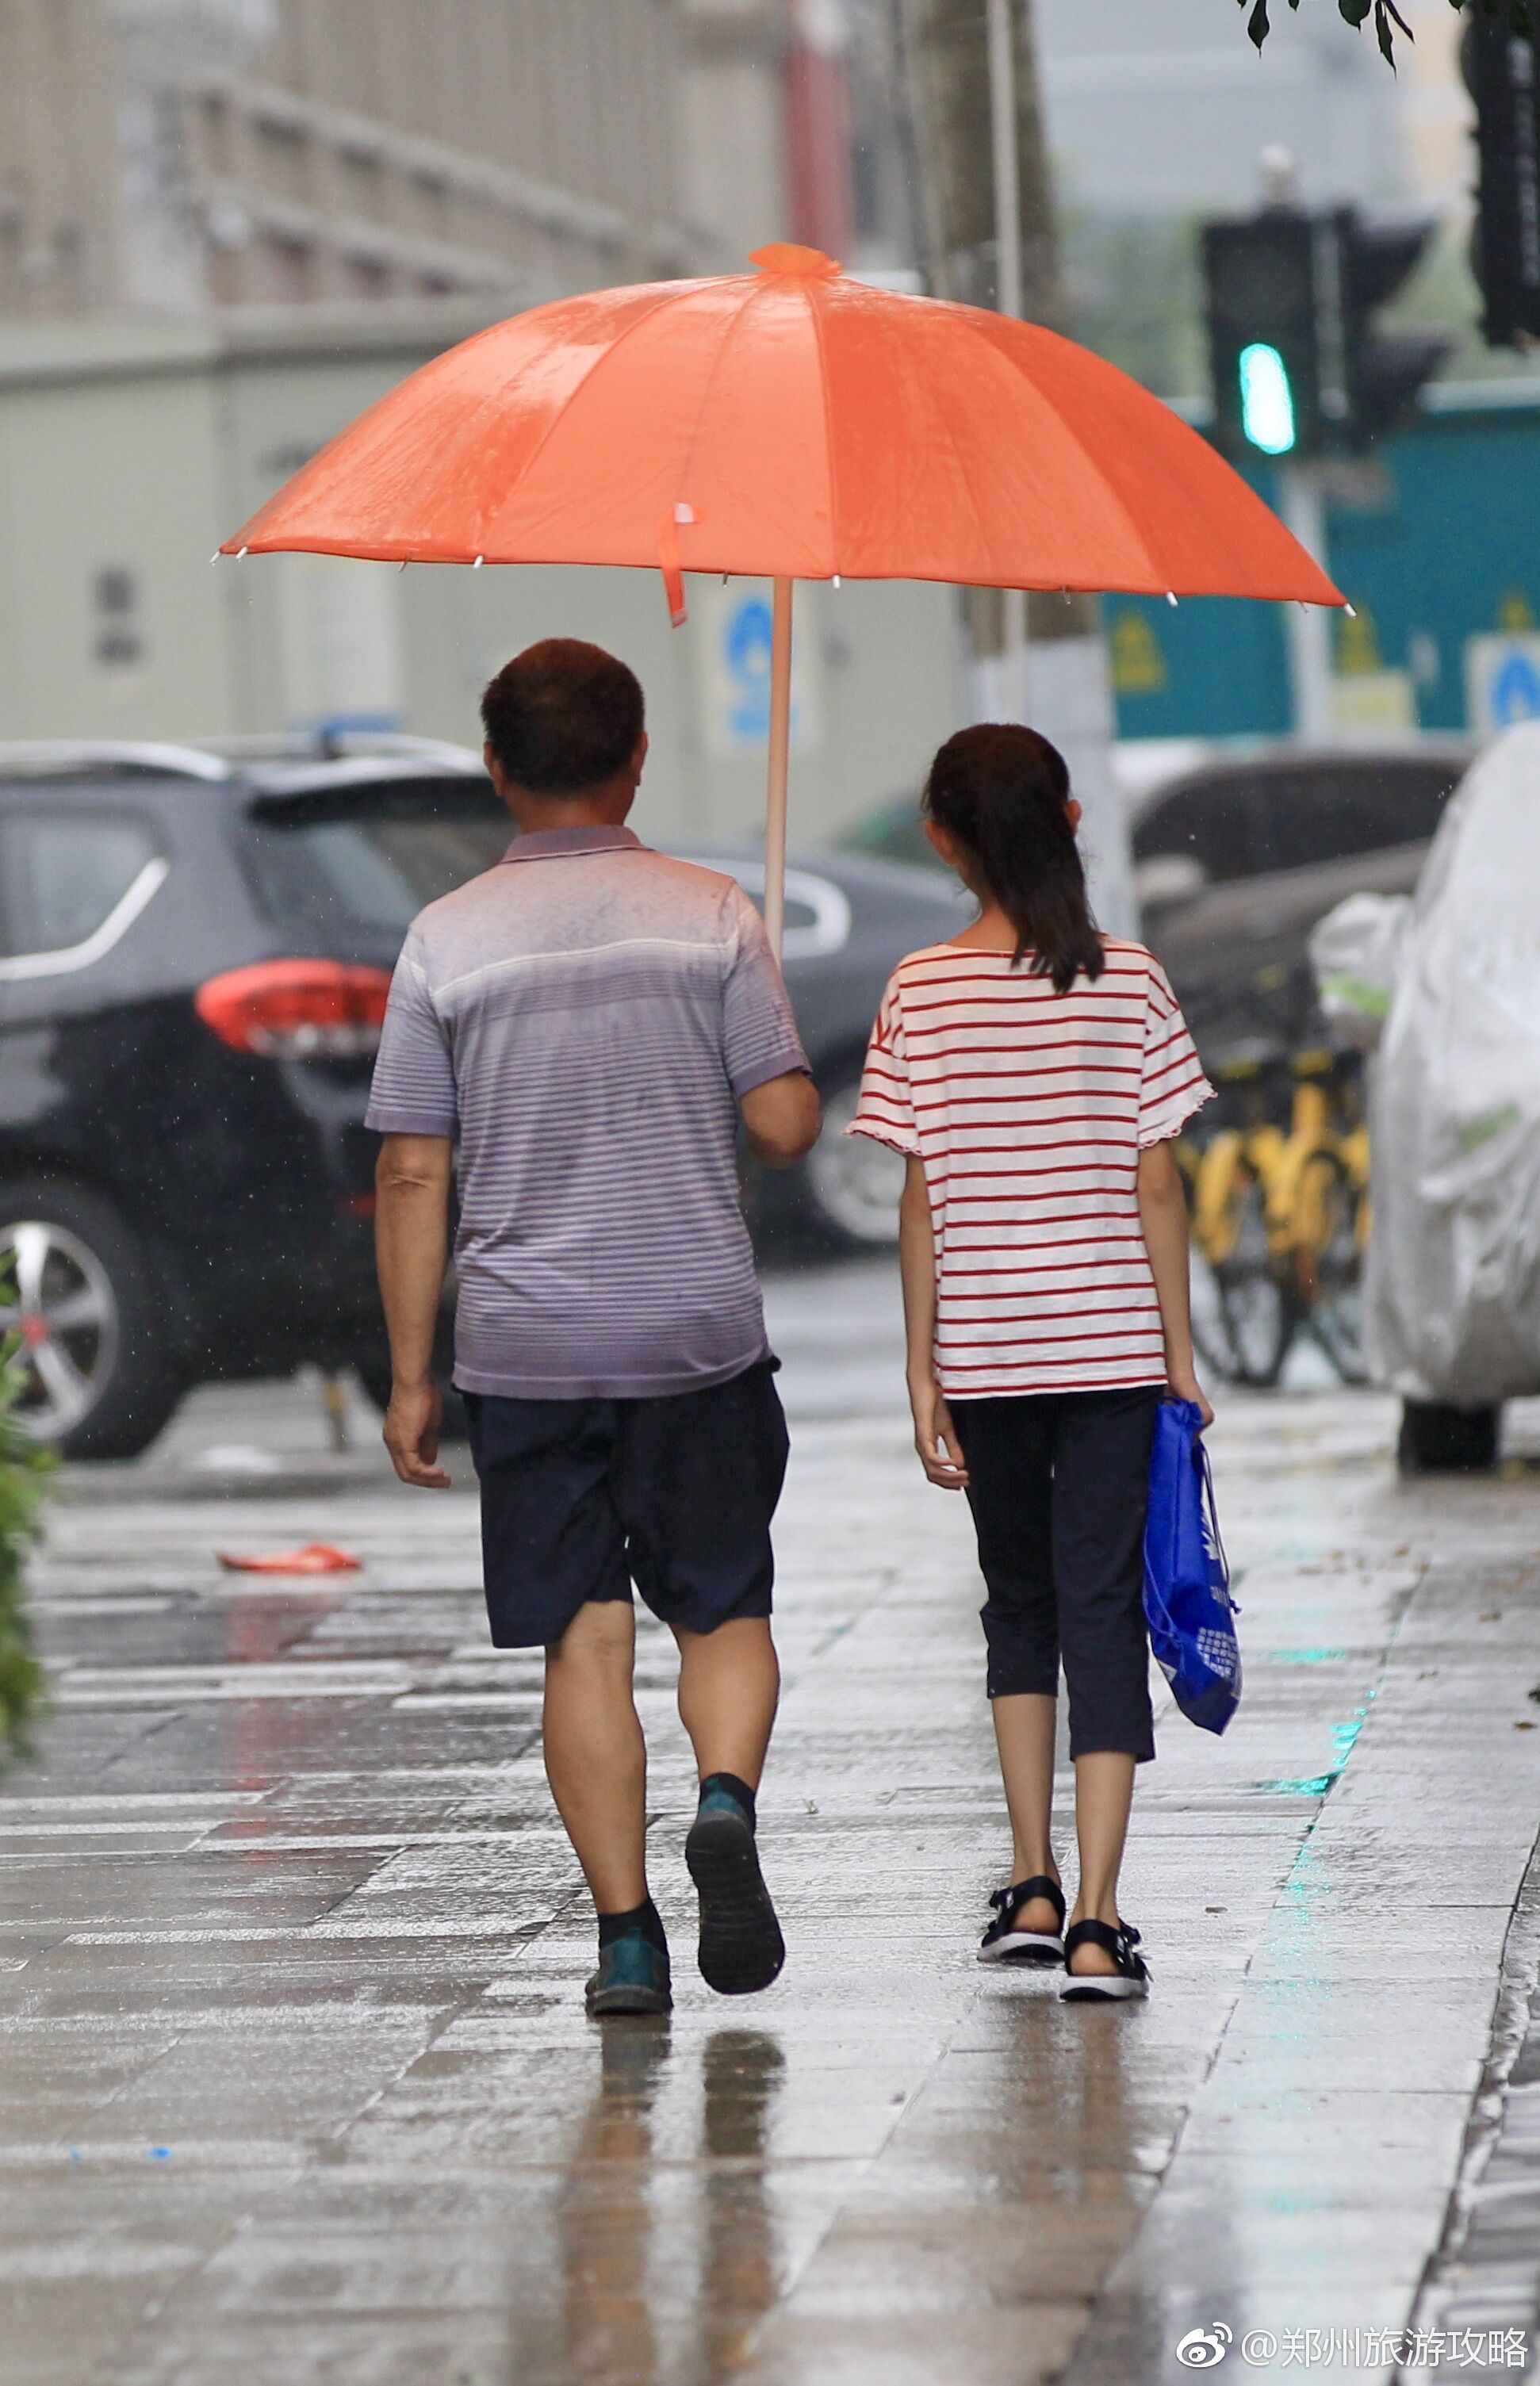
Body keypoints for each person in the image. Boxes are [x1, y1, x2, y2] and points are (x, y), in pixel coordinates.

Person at [366, 638, 821, 2019]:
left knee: (586, 1638)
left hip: (528, 1345)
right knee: (722, 1607)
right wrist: (763, 1032)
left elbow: (411, 1170)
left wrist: (409, 1376)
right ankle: (724, 1799)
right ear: (636, 760)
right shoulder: (710, 912)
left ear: (495, 769)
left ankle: (627, 1941)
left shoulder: (445, 938)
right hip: (692, 1330)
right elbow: (785, 1124)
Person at [849, 724, 1213, 2002]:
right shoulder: (1130, 980)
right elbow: (1155, 1182)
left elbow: (919, 1196)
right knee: (1100, 1606)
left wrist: (921, 1372)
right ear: (1068, 818)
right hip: (1110, 1353)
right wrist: (1178, 1359)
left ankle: (1031, 1883)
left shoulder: (917, 989)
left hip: (987, 1353)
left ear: (941, 841)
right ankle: (1099, 1924)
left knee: (1017, 1602)